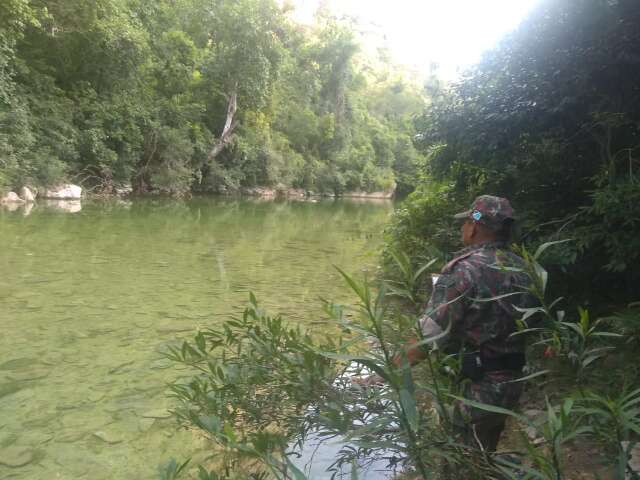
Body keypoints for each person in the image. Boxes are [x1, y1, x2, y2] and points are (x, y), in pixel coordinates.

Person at [398, 195, 535, 453]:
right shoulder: (524, 268)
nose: (463, 227)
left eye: (465, 222)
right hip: (512, 383)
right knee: (483, 455)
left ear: (474, 226)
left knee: (459, 462)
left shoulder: (464, 270)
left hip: (478, 388)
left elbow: (429, 334)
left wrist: (388, 372)